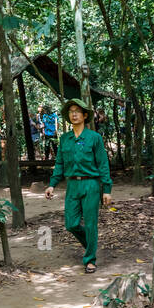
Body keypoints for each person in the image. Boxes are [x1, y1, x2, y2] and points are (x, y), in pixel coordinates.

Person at [45, 98, 112, 273]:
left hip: (91, 184)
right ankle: (91, 244)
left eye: (77, 111)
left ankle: (90, 259)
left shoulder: (94, 138)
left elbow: (103, 164)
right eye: (71, 111)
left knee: (90, 224)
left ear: (84, 115)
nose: (74, 114)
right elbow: (59, 163)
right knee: (71, 224)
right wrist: (52, 185)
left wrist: (107, 189)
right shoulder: (65, 139)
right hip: (72, 185)